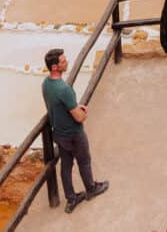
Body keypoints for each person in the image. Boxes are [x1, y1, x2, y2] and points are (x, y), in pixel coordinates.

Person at [42, 48, 108, 213]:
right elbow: (79, 118)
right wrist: (83, 111)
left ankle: (71, 198)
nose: (67, 63)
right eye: (63, 61)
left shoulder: (46, 84)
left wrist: (75, 106)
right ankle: (91, 189)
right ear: (55, 67)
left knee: (66, 166)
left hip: (59, 133)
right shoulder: (64, 89)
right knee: (84, 161)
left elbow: (60, 106)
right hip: (74, 134)